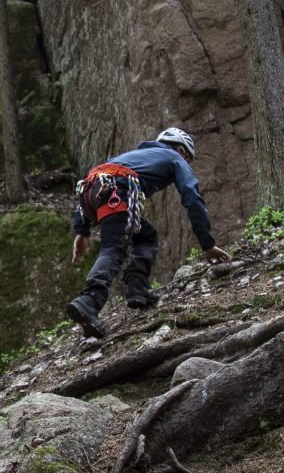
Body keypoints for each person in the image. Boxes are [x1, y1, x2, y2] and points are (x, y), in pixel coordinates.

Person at [65, 127, 230, 339]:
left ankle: (137, 290)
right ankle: (89, 300)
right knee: (113, 248)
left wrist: (82, 230)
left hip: (92, 193)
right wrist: (207, 244)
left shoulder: (132, 157)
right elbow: (192, 197)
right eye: (188, 158)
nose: (187, 164)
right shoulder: (173, 157)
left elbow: (93, 181)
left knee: (145, 236)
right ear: (181, 150)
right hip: (116, 190)